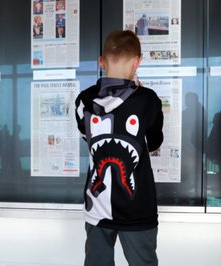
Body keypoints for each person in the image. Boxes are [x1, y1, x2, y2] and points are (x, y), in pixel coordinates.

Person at [75, 30, 164, 266]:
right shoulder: (148, 100)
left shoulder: (84, 100)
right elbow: (154, 142)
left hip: (97, 206)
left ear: (101, 61)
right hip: (138, 208)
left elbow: (88, 137)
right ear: (138, 62)